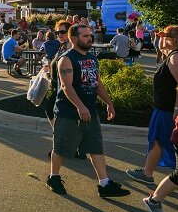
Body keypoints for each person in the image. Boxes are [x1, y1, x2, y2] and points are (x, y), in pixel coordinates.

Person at [46, 24, 130, 198]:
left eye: (89, 35)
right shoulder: (66, 59)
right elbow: (66, 86)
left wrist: (109, 103)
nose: (89, 38)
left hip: (90, 112)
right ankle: (54, 177)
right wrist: (80, 106)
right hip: (68, 113)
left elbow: (97, 83)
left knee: (95, 147)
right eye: (85, 36)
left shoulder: (92, 58)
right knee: (61, 148)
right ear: (73, 39)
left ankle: (104, 184)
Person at [126, 25, 178, 185]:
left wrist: (176, 109)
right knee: (160, 140)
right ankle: (147, 172)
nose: (161, 38)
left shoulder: (175, 57)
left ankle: (147, 173)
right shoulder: (170, 55)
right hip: (164, 108)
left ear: (174, 40)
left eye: (165, 36)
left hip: (168, 109)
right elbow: (161, 48)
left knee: (158, 140)